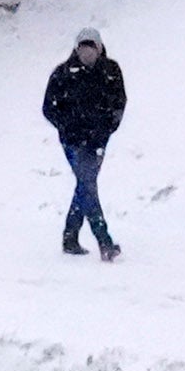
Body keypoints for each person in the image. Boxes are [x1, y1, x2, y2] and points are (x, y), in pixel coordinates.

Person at [42, 29, 126, 262]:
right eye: (83, 49)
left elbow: (119, 101)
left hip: (98, 140)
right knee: (88, 185)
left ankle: (70, 237)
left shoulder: (110, 71)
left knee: (85, 185)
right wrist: (67, 127)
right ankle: (104, 240)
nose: (87, 54)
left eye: (91, 49)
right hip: (73, 141)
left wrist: (108, 127)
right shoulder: (63, 74)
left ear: (100, 48)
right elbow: (49, 107)